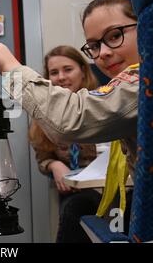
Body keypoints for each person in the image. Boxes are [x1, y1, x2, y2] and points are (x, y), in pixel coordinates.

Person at [0, 0, 139, 236]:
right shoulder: (44, 108)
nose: (105, 53)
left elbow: (71, 119)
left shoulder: (137, 83)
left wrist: (11, 67)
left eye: (115, 36)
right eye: (95, 46)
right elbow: (45, 151)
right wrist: (54, 164)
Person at [29, 45, 101, 243]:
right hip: (75, 191)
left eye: (67, 69)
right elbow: (43, 156)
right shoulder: (44, 113)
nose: (60, 77)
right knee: (74, 210)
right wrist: (54, 164)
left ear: (83, 71)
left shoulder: (104, 101)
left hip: (115, 188)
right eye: (54, 72)